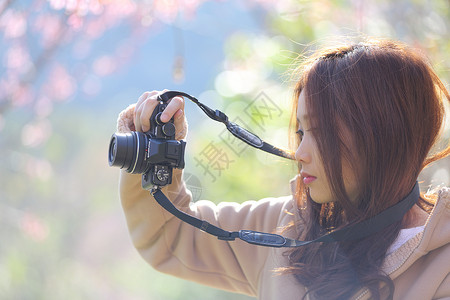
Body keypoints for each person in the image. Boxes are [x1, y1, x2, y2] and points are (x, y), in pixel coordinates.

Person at [115, 39, 450, 300]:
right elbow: (169, 237)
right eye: (301, 132)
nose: (300, 153)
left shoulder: (441, 262)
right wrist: (154, 156)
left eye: (321, 132)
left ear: (383, 134)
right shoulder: (288, 227)